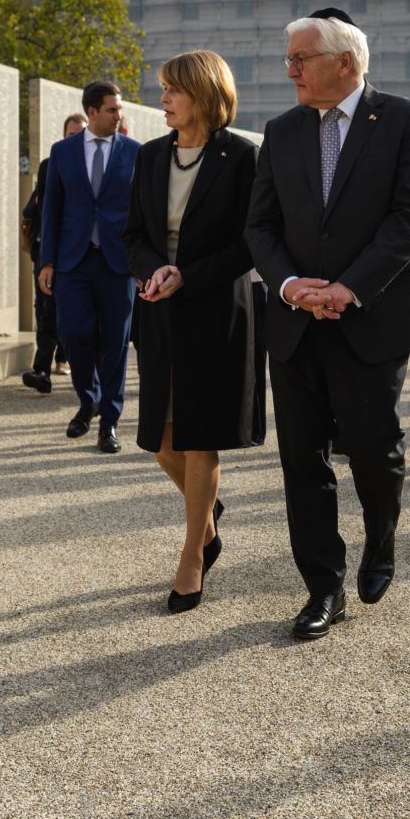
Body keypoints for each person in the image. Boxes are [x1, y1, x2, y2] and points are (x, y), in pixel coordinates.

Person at [245, 11, 410, 642]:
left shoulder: (405, 120)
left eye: (302, 58)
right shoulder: (281, 131)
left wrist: (348, 288)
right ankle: (322, 585)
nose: (291, 70)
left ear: (345, 63)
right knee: (302, 458)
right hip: (297, 322)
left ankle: (380, 541)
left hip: (371, 318)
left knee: (374, 450)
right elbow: (261, 227)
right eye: (290, 59)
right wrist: (295, 287)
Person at [124, 50, 259, 612]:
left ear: (202, 93)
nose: (164, 99)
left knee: (199, 436)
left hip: (216, 310)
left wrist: (189, 275)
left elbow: (252, 241)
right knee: (161, 442)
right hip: (159, 311)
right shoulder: (153, 156)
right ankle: (206, 520)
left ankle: (191, 559)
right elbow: (133, 232)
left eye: (172, 90)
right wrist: (151, 270)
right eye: (162, 90)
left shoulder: (241, 158)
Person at [38, 80, 140, 453]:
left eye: (120, 109)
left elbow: (142, 213)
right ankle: (89, 399)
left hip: (118, 263)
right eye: (112, 109)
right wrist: (47, 260)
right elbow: (52, 209)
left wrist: (143, 262)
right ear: (92, 112)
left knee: (115, 342)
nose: (119, 116)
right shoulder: (62, 152)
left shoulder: (135, 152)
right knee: (73, 334)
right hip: (72, 261)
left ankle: (109, 423)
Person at [21, 112, 86, 393]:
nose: (77, 140)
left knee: (71, 312)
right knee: (46, 309)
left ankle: (67, 361)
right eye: (72, 135)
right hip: (49, 250)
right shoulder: (51, 165)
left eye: (81, 134)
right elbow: (39, 210)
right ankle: (41, 369)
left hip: (80, 253)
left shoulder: (96, 166)